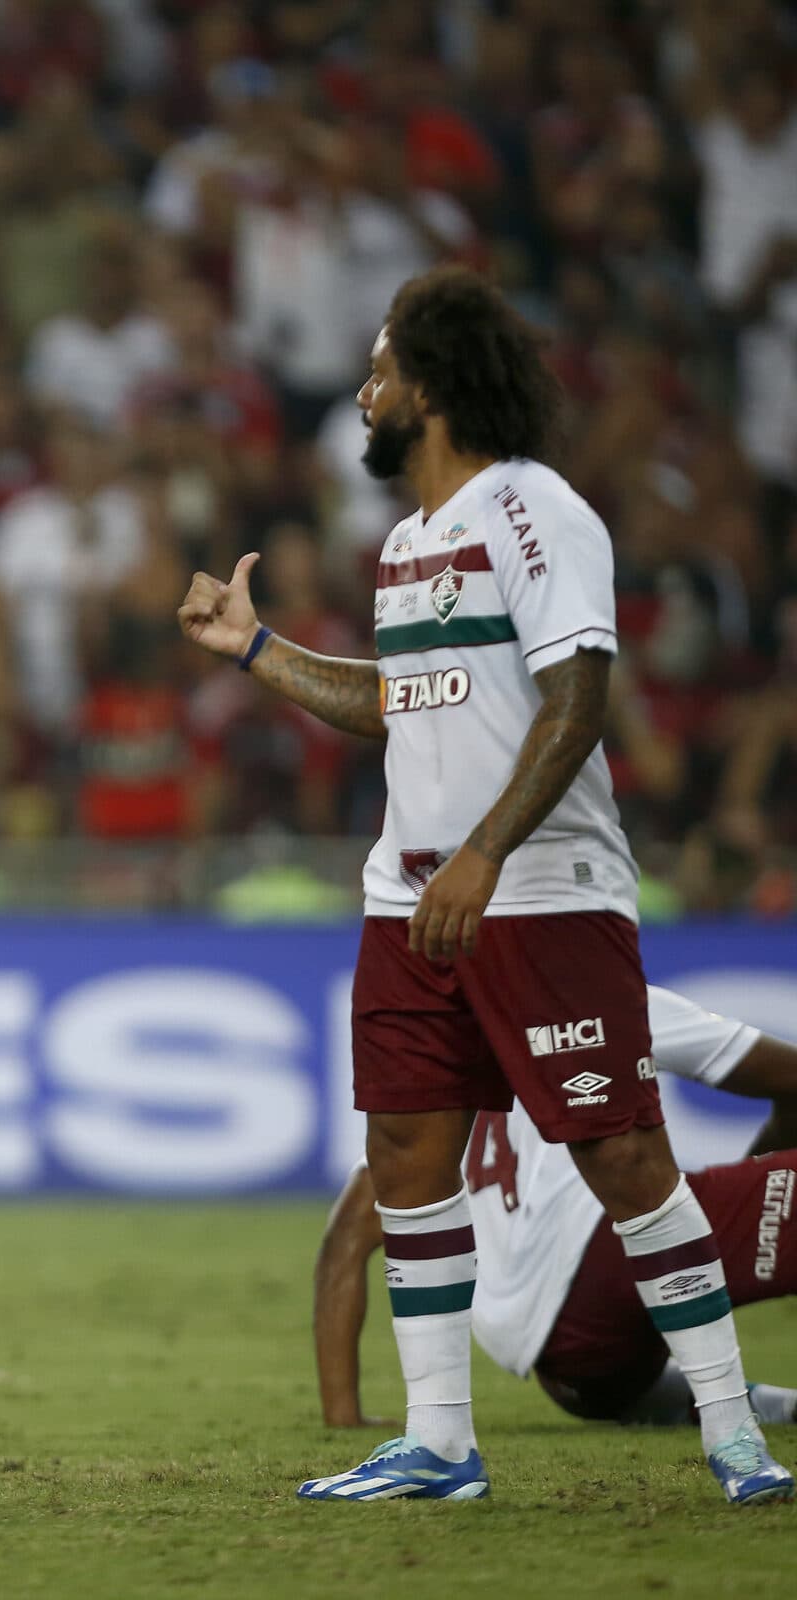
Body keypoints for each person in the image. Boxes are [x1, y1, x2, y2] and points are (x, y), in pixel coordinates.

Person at [179, 264, 792, 1506]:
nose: (364, 391)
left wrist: (486, 851)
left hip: (542, 891)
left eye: (383, 368)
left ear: (435, 386)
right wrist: (256, 649)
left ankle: (733, 1436)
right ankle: (443, 1442)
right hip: (407, 904)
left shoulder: (537, 510)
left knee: (623, 1153)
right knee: (408, 1148)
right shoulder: (407, 544)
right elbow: (399, 707)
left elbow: (579, 698)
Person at [317, 986, 797, 1433]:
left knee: (625, 1384)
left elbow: (345, 1239)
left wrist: (343, 1416)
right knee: (651, 1201)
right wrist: (757, 1186)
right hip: (605, 1255)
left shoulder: (446, 1053)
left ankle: (773, 1404)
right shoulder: (602, 993)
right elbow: (790, 1077)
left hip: (571, 1370)